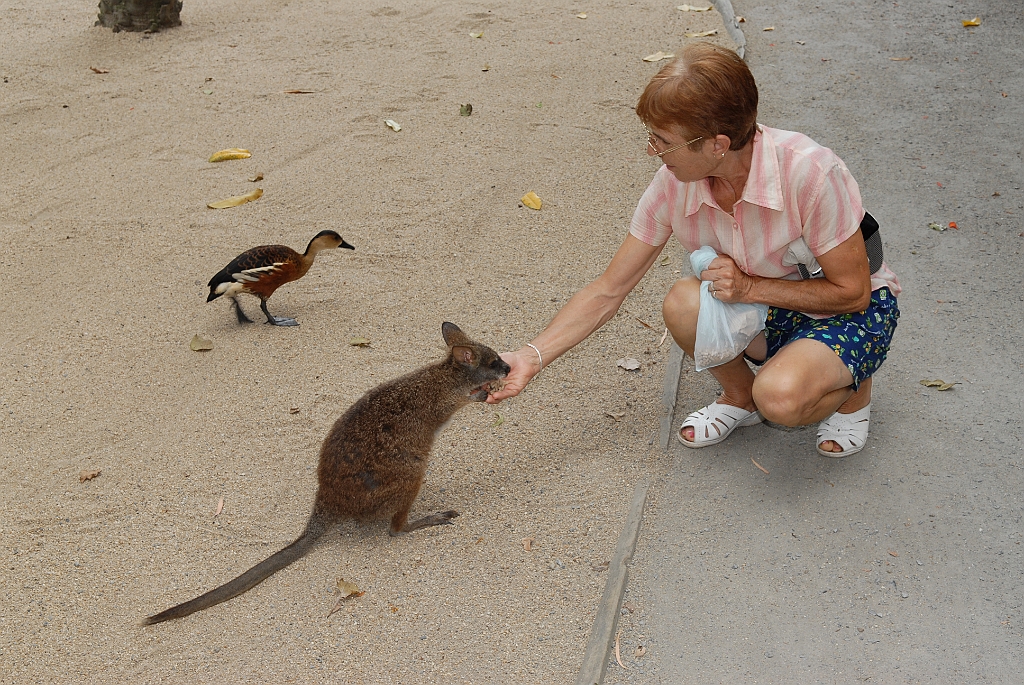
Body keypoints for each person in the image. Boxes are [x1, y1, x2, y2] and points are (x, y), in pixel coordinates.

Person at [486, 42, 900, 458]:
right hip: (770, 305)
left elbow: (853, 292)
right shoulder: (673, 184)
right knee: (683, 304)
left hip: (848, 313)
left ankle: (853, 389)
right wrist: (530, 357)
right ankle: (741, 396)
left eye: (663, 141)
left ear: (717, 144)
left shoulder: (809, 172)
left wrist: (748, 288)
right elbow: (608, 290)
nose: (652, 151)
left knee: (782, 400)